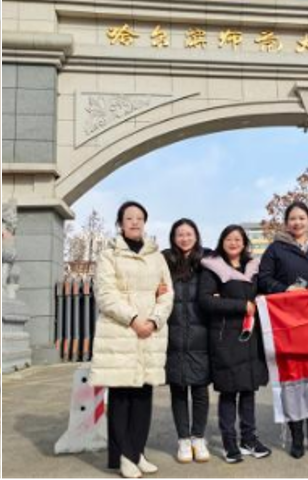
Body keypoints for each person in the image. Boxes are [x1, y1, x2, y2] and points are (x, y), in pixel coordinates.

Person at [92, 201, 171, 479]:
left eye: (139, 218)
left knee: (143, 396)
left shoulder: (156, 256)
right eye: (129, 218)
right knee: (121, 397)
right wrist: (134, 319)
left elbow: (166, 293)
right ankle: (124, 456)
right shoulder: (108, 255)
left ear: (145, 222)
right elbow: (105, 295)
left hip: (149, 333)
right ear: (120, 223)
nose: (135, 222)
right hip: (121, 333)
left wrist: (154, 320)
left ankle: (137, 452)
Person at [256, 201, 308, 459]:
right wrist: (286, 289)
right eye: (292, 219)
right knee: (293, 381)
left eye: (301, 218)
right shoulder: (275, 249)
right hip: (286, 325)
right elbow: (263, 279)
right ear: (286, 223)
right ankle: (297, 437)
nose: (297, 222)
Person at [197, 225, 272, 464]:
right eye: (229, 239)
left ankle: (249, 439)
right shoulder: (212, 268)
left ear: (244, 242)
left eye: (238, 239)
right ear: (222, 241)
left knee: (248, 390)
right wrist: (240, 305)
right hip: (225, 338)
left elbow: (262, 293)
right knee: (229, 392)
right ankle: (229, 443)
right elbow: (205, 301)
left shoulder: (253, 268)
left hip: (251, 337)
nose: (233, 243)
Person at [161, 219, 211, 464]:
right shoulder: (164, 261)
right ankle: (183, 439)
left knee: (200, 390)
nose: (184, 238)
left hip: (201, 335)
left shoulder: (208, 261)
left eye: (189, 233)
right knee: (178, 389)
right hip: (173, 334)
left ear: (196, 236)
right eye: (179, 234)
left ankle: (198, 438)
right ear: (173, 237)